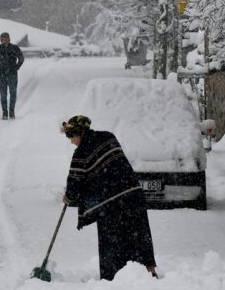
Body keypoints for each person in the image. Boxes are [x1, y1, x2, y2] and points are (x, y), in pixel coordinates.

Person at [60, 115, 158, 280]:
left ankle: (113, 279)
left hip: (110, 204)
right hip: (133, 195)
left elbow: (74, 182)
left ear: (79, 133)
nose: (70, 141)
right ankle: (149, 273)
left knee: (112, 243)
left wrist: (68, 197)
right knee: (140, 236)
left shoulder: (81, 154)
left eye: (71, 136)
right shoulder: (108, 136)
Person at [0, 32, 24, 120]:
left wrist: (16, 67)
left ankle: (12, 111)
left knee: (13, 94)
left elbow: (21, 58)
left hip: (12, 75)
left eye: (5, 38)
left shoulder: (15, 48)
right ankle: (4, 112)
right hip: (1, 75)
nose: (3, 40)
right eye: (2, 38)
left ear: (9, 38)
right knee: (3, 95)